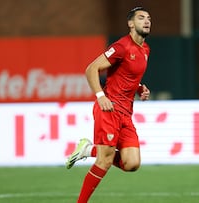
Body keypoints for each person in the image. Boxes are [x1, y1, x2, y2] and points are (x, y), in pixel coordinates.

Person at [65, 6, 151, 202]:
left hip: (126, 113)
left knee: (132, 163)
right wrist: (100, 95)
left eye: (148, 18)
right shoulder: (121, 46)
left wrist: (139, 88)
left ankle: (88, 149)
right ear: (130, 24)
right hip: (109, 108)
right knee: (104, 161)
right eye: (141, 18)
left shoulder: (145, 49)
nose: (146, 21)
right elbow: (91, 69)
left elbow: (127, 74)